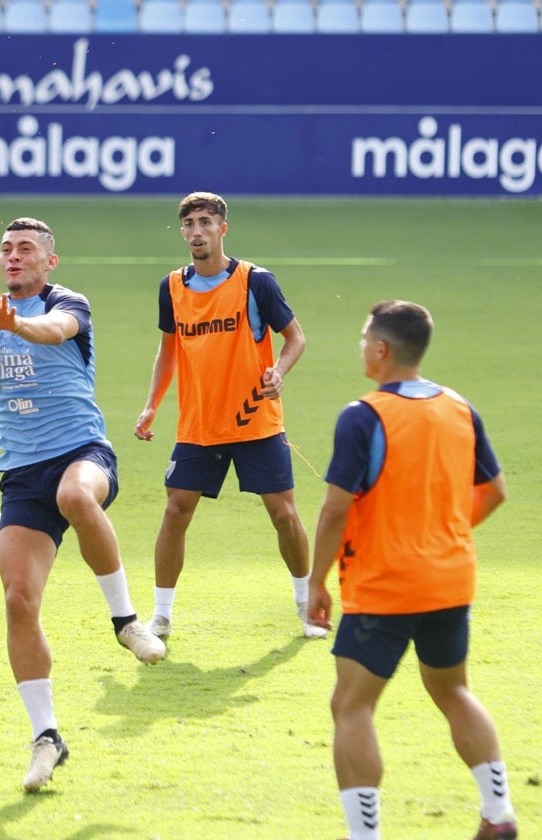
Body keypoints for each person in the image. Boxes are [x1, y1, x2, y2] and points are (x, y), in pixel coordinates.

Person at [0, 218, 165, 793]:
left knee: (74, 495)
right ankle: (46, 736)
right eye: (6, 248)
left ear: (50, 261)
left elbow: (55, 330)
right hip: (21, 475)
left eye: (26, 249)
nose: (13, 256)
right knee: (19, 600)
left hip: (83, 452)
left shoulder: (67, 303)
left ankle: (126, 622)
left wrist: (17, 326)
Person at [306, 300, 515, 840]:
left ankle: (364, 835)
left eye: (362, 338)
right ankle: (498, 815)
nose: (360, 347)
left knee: (351, 705)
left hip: (386, 587)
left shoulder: (364, 415)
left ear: (381, 349)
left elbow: (334, 510)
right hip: (450, 580)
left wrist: (316, 581)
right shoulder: (459, 407)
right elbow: (493, 491)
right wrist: (445, 533)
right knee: (453, 691)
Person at [134, 191, 326, 642]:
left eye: (205, 222)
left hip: (255, 421)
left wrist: (278, 371)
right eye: (189, 225)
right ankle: (161, 616)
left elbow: (295, 338)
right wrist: (151, 404)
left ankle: (306, 605)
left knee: (283, 514)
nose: (196, 232)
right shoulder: (173, 287)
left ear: (223, 228)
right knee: (176, 511)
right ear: (182, 232)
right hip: (200, 425)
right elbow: (169, 352)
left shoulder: (255, 281)